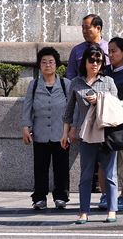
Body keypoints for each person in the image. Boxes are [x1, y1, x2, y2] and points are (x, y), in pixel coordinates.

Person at [61, 45, 119, 224]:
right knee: (85, 175)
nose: (95, 64)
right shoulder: (77, 83)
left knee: (109, 174)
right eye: (92, 60)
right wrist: (64, 134)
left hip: (107, 134)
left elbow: (117, 106)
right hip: (86, 135)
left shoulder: (108, 81)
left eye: (99, 61)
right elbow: (69, 111)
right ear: (85, 61)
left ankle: (112, 210)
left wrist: (100, 98)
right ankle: (83, 212)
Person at [22, 47, 71, 210]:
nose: (47, 65)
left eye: (51, 62)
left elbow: (72, 109)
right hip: (40, 132)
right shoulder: (34, 85)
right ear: (39, 65)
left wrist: (71, 129)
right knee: (40, 167)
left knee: (61, 167)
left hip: (61, 133)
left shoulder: (66, 84)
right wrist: (25, 126)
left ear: (56, 65)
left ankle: (61, 197)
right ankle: (39, 198)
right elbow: (27, 107)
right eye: (44, 62)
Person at [98, 37, 123, 211]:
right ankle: (105, 195)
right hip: (103, 123)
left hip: (122, 123)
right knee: (102, 161)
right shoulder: (104, 71)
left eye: (114, 51)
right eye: (109, 50)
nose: (110, 54)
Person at [65, 14, 109, 79]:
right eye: (83, 28)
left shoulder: (109, 48)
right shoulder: (76, 50)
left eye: (87, 28)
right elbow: (70, 75)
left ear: (98, 28)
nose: (84, 31)